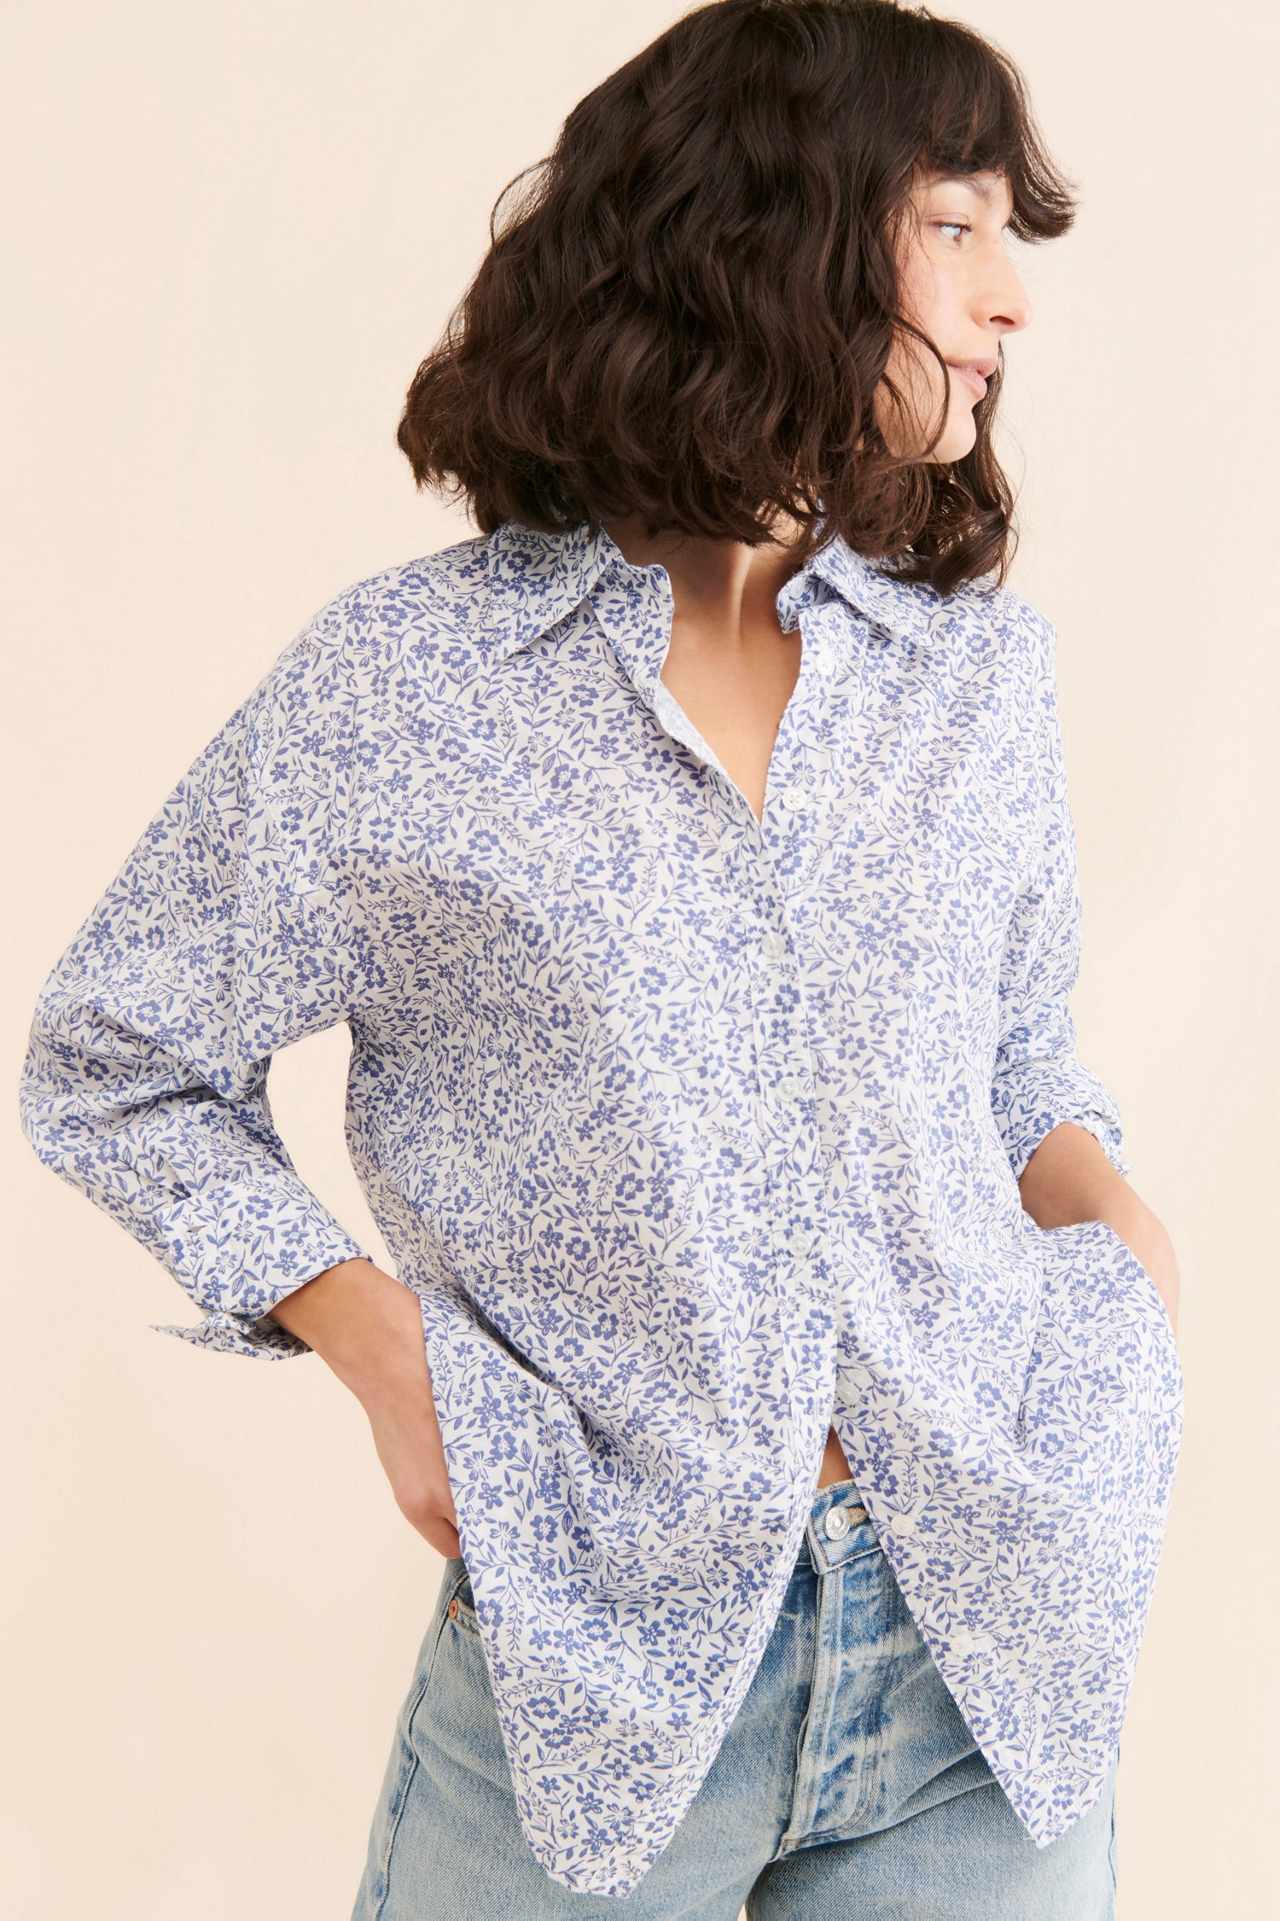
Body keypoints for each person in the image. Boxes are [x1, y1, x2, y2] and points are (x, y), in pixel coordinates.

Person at [20, 2, 1183, 1915]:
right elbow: (114, 1053)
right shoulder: (411, 688)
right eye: (954, 226)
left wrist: (1127, 1255)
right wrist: (375, 1343)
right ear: (775, 240)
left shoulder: (979, 674)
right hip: (600, 1647)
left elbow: (1015, 1064)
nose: (1012, 299)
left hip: (984, 1636)